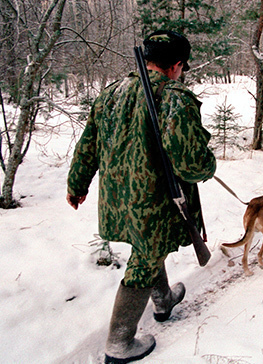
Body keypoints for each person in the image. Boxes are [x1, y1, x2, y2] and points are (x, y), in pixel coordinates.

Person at [66, 30, 216, 363]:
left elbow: (87, 146)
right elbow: (191, 165)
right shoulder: (175, 97)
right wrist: (210, 165)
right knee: (143, 261)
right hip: (154, 203)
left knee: (149, 249)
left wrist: (77, 184)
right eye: (182, 67)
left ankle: (162, 300)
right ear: (176, 65)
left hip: (118, 197)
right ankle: (119, 343)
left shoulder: (111, 93)